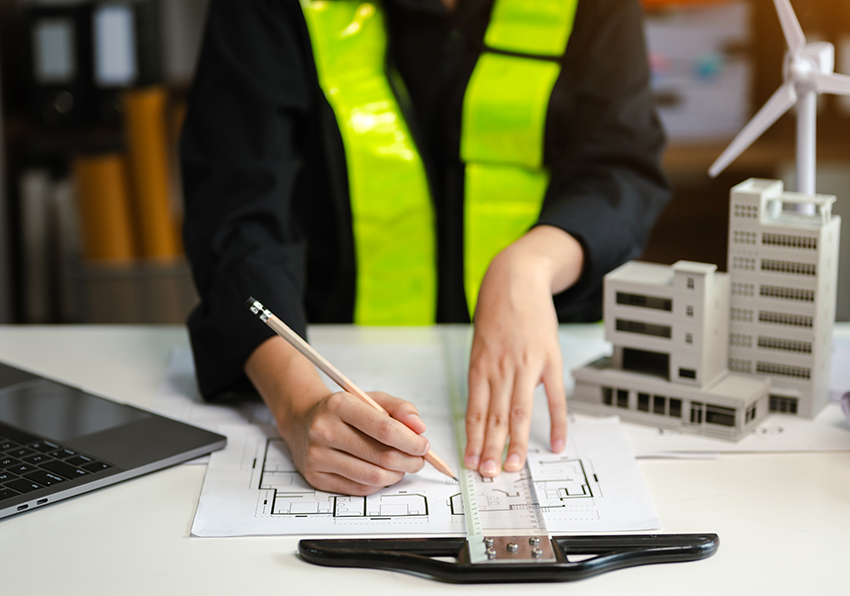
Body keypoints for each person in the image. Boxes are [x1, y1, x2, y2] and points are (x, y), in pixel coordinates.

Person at [180, 0, 669, 496]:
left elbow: (621, 166)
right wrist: (299, 406)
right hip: (332, 356)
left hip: (550, 357)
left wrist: (533, 263)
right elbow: (235, 209)